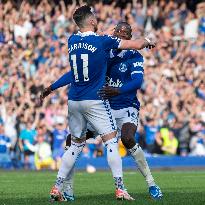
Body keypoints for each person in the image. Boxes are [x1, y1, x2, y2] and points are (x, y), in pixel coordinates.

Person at [41, 5, 156, 202]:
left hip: (74, 100)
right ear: (92, 21)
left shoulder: (72, 40)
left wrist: (51, 87)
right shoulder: (103, 42)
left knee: (75, 144)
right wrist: (147, 40)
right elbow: (135, 44)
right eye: (94, 16)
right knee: (111, 141)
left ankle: (58, 187)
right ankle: (120, 188)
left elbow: (74, 71)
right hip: (95, 101)